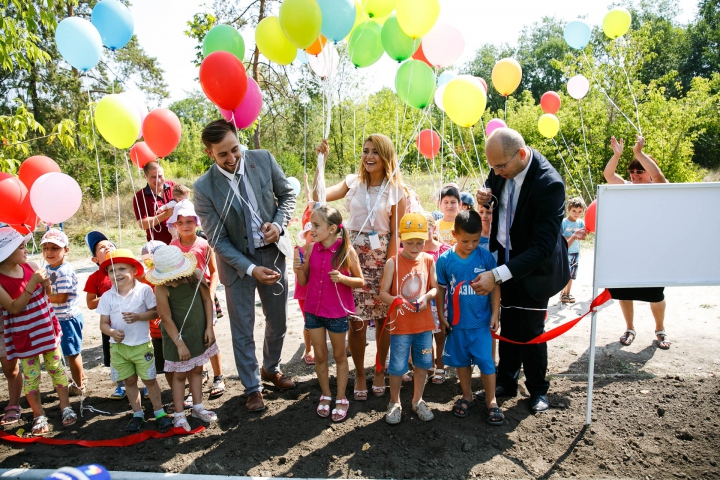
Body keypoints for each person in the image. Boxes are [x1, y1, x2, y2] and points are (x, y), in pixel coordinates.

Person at [194, 119, 296, 413]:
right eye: (223, 154)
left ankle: (271, 368)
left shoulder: (262, 159)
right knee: (242, 328)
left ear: (239, 141)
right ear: (209, 153)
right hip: (236, 264)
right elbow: (218, 241)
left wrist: (278, 225)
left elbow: (287, 195)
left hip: (273, 253)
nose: (232, 158)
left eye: (235, 150)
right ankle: (252, 387)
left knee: (278, 321)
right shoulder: (203, 188)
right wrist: (251, 269)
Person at [475, 127, 569, 413]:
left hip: (534, 267)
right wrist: (486, 198)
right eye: (492, 167)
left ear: (522, 154)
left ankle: (538, 389)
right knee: (509, 321)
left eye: (500, 167)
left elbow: (541, 249)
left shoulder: (549, 185)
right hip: (506, 255)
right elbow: (496, 190)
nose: (496, 173)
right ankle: (507, 380)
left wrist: (498, 275)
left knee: (530, 329)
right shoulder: (502, 165)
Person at [314, 135, 407, 401]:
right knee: (356, 321)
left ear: (385, 156)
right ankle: (359, 374)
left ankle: (379, 370)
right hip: (352, 258)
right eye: (365, 151)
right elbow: (318, 197)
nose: (368, 156)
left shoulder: (396, 190)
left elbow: (395, 235)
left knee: (382, 320)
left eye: (375, 152)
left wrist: (389, 272)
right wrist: (322, 162)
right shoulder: (352, 183)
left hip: (381, 259)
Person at [0, 227, 76, 435]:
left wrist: (46, 284)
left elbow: (47, 295)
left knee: (57, 369)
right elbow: (14, 308)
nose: (27, 251)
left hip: (45, 330)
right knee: (31, 376)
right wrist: (33, 283)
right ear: (6, 252)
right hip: (25, 337)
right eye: (21, 247)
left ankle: (65, 407)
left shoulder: (31, 266)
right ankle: (38, 414)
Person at [293, 205, 363, 422]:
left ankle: (341, 397)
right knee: (321, 356)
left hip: (336, 313)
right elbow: (304, 282)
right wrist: (298, 269)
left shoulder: (346, 251)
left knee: (340, 356)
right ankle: (326, 394)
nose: (311, 229)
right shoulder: (312, 249)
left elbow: (360, 281)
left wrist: (343, 279)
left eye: (316, 225)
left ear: (332, 228)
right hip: (313, 311)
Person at [436, 211, 503, 426]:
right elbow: (440, 288)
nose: (471, 245)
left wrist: (495, 314)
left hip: (482, 325)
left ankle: (491, 400)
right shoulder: (445, 260)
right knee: (462, 363)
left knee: (487, 363)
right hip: (457, 326)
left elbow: (495, 287)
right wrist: (440, 314)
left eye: (475, 240)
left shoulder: (485, 258)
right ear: (454, 234)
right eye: (465, 240)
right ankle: (467, 396)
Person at [603, 135, 670, 349]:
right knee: (625, 290)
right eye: (632, 171)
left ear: (649, 174)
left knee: (655, 294)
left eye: (639, 171)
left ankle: (660, 330)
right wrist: (617, 155)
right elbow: (608, 175)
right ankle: (630, 328)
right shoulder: (625, 186)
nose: (634, 175)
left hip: (653, 252)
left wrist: (639, 153)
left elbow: (659, 176)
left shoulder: (659, 187)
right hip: (628, 250)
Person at [97, 249, 173, 432]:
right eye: (111, 271)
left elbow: (155, 312)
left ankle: (159, 412)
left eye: (122, 269)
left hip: (141, 346)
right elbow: (103, 324)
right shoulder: (107, 296)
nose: (117, 274)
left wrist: (139, 316)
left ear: (134, 270)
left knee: (150, 380)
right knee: (129, 381)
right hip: (118, 348)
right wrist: (112, 332)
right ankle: (137, 413)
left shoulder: (144, 290)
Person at [147, 245, 219, 431]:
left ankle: (197, 407)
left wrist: (209, 328)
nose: (172, 282)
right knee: (179, 376)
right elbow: (166, 317)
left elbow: (206, 301)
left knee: (197, 370)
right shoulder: (161, 288)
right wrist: (179, 344)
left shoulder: (196, 275)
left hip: (198, 332)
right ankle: (179, 415)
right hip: (176, 337)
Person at [379, 212, 438, 424]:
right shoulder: (392, 263)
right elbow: (383, 293)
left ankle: (418, 400)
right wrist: (396, 300)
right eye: (410, 242)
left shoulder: (429, 259)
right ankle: (394, 402)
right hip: (401, 326)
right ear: (401, 238)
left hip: (423, 326)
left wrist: (426, 297)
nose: (415, 247)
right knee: (396, 366)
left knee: (423, 363)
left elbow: (434, 289)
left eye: (420, 243)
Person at [168, 201, 226, 398]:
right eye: (181, 222)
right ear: (175, 225)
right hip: (183, 302)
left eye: (189, 221)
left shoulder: (204, 245)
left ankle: (219, 376)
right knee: (191, 337)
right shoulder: (172, 247)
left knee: (209, 337)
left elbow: (215, 272)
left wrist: (210, 292)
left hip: (204, 299)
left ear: (196, 222)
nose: (185, 226)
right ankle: (200, 374)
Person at [84, 231, 142, 400]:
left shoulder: (126, 273)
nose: (107, 247)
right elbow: (90, 303)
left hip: (132, 322)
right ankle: (121, 385)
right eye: (101, 247)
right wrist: (110, 295)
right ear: (95, 259)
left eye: (110, 245)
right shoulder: (94, 278)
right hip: (110, 326)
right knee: (117, 356)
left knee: (137, 351)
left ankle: (142, 385)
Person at [41, 229, 84, 395]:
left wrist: (42, 297)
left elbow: (61, 298)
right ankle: (73, 379)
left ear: (66, 250)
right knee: (58, 353)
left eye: (54, 248)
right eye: (45, 248)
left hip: (67, 319)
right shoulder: (49, 268)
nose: (49, 252)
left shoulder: (63, 271)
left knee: (72, 353)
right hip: (56, 318)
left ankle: (79, 386)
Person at [422, 212, 450, 385]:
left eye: (427, 229)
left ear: (434, 228)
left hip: (441, 299)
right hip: (422, 300)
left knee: (440, 334)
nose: (424, 234)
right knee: (424, 335)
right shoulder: (413, 250)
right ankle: (428, 365)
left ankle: (441, 366)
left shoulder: (444, 250)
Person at [133, 161, 177, 245]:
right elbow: (143, 224)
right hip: (159, 245)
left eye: (160, 176)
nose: (158, 180)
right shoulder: (140, 196)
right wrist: (166, 214)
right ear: (145, 177)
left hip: (181, 241)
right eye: (153, 177)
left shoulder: (173, 186)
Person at [294, 221, 315, 366]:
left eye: (315, 234)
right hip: (303, 291)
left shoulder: (320, 249)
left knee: (317, 320)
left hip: (317, 291)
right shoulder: (298, 250)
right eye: (310, 234)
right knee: (308, 321)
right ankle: (309, 349)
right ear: (305, 235)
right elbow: (296, 270)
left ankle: (315, 345)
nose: (313, 237)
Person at [560, 197, 587, 304]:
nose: (577, 213)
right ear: (569, 210)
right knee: (564, 273)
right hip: (565, 251)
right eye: (574, 211)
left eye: (580, 211)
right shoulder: (564, 222)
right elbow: (562, 239)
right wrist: (574, 236)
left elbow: (584, 235)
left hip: (575, 252)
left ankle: (567, 292)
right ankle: (563, 292)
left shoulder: (580, 223)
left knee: (571, 274)